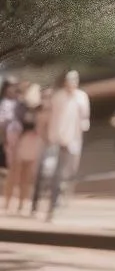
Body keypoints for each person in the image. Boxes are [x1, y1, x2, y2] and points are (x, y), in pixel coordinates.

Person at [32, 69, 90, 220]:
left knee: (68, 173)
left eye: (75, 80)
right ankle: (51, 206)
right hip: (57, 140)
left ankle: (59, 202)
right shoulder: (58, 97)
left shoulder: (82, 97)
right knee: (54, 173)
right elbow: (54, 118)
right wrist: (52, 137)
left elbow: (85, 119)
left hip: (74, 141)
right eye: (70, 80)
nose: (72, 83)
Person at [3, 83, 45, 213]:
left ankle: (21, 203)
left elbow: (41, 126)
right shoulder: (20, 106)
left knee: (27, 175)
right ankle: (8, 201)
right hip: (20, 141)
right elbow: (16, 124)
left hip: (33, 142)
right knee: (14, 173)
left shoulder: (40, 109)